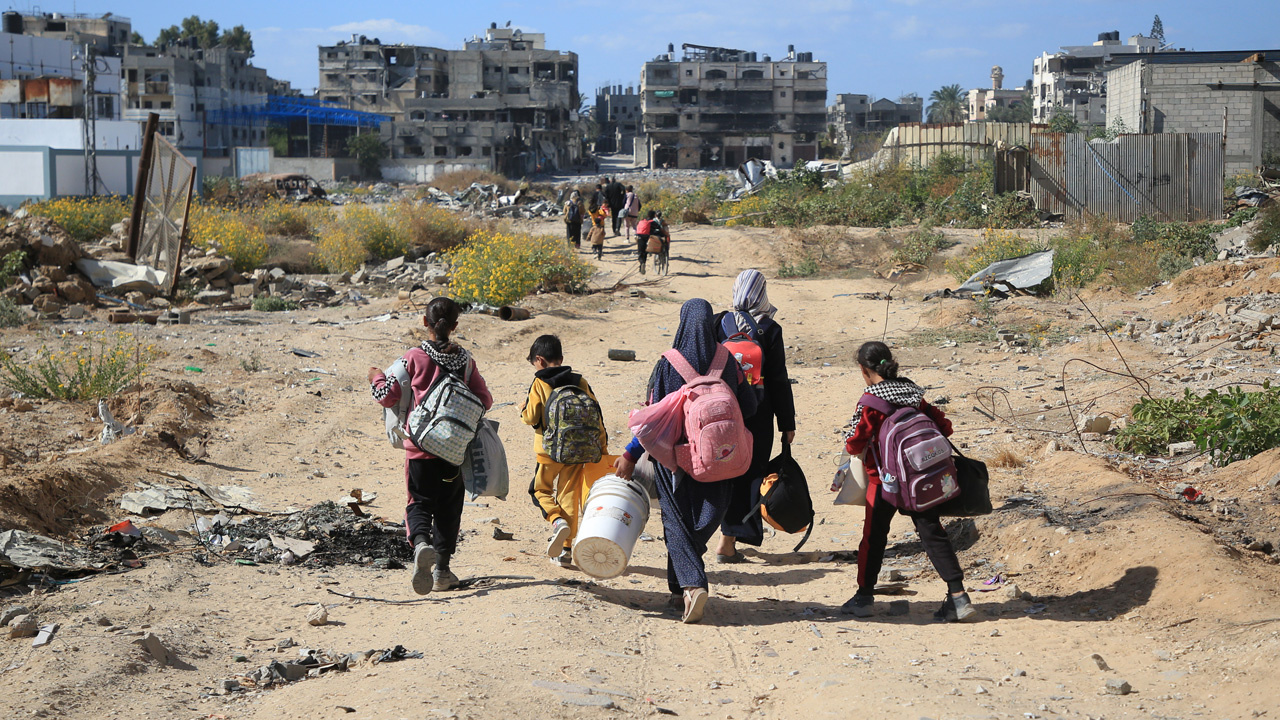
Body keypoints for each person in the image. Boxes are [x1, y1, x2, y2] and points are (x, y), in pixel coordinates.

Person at [614, 300, 758, 624]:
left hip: (676, 457)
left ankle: (691, 585)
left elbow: (654, 416)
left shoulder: (669, 363)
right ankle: (678, 589)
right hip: (722, 455)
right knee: (705, 519)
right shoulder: (728, 360)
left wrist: (630, 453)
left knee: (676, 521)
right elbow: (749, 407)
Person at [839, 341, 978, 622]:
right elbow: (945, 427)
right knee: (932, 533)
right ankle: (958, 597)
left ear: (864, 371)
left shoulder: (870, 402)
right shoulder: (914, 393)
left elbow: (854, 443)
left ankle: (864, 597)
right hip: (920, 479)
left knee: (874, 537)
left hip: (884, 482)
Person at [368, 298, 494, 595]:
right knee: (450, 507)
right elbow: (485, 400)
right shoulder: (466, 360)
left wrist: (374, 375)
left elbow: (386, 395)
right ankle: (442, 571)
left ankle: (422, 542)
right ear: (455, 326)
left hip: (420, 447)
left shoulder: (413, 357)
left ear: (425, 322)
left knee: (419, 501)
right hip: (453, 451)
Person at [712, 270, 797, 563]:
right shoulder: (770, 328)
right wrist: (787, 423)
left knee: (722, 468)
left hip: (721, 411)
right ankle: (728, 541)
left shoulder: (719, 322)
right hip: (759, 413)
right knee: (750, 471)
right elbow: (778, 379)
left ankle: (720, 533)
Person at [521, 335, 609, 568]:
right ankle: (567, 549)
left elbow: (530, 417)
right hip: (579, 450)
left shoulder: (540, 383)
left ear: (539, 360)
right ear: (561, 358)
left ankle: (557, 521)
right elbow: (597, 416)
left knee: (539, 490)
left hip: (548, 452)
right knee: (569, 493)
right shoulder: (580, 381)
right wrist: (603, 448)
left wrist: (522, 410)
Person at [635, 210, 656, 275]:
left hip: (640, 236)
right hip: (648, 237)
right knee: (645, 252)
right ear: (654, 216)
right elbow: (659, 229)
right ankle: (643, 263)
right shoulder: (653, 222)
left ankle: (641, 263)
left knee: (640, 251)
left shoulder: (642, 221)